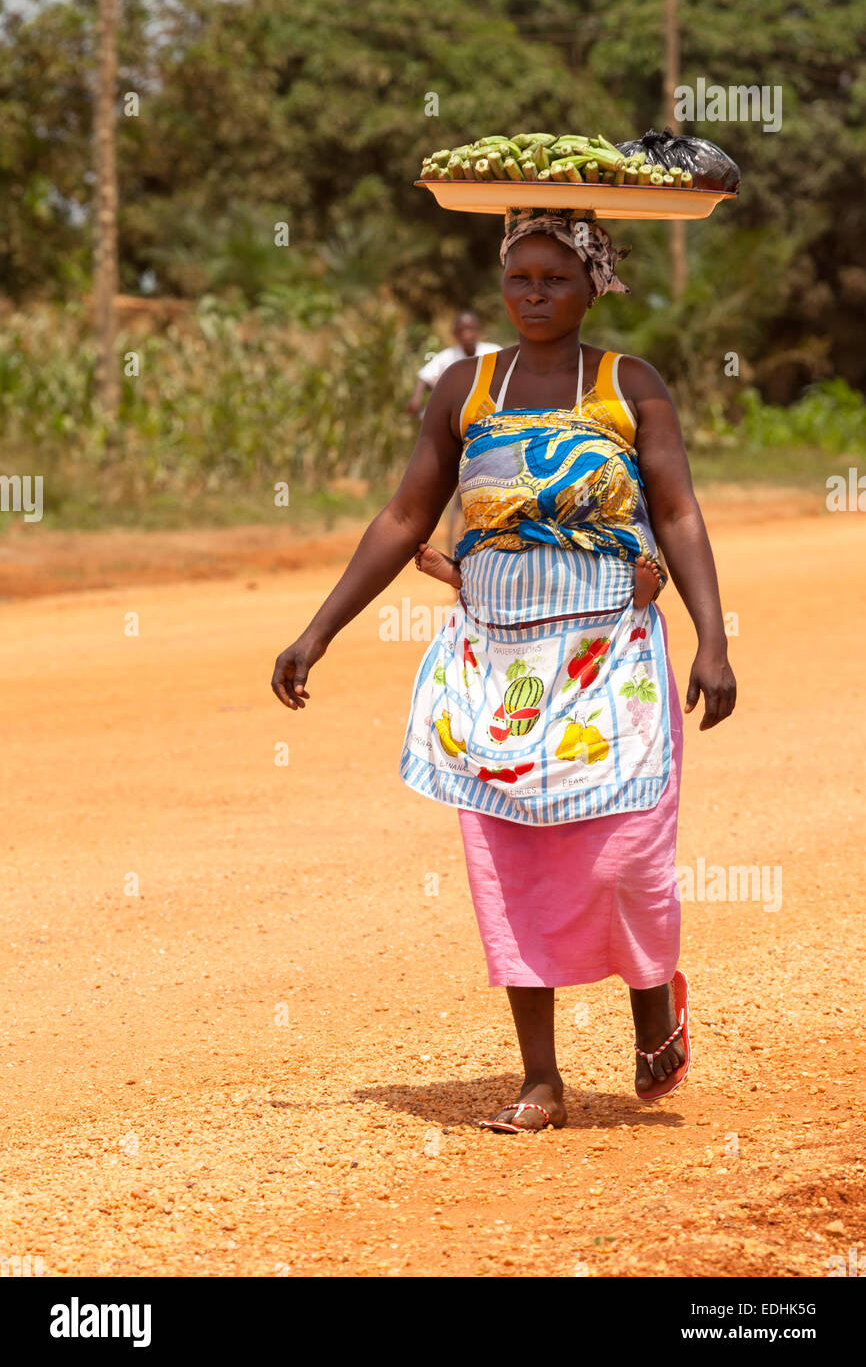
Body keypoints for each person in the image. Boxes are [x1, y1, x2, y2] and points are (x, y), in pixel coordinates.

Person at [272, 205, 736, 1133]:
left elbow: (677, 514)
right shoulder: (466, 388)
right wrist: (317, 629)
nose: (533, 294)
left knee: (624, 856)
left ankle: (652, 999)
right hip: (499, 657)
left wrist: (712, 639)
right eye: (519, 277)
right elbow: (406, 516)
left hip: (612, 655)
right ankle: (540, 1079)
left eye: (554, 277)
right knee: (508, 856)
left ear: (592, 284)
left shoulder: (627, 386)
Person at [408, 310, 500, 555]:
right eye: (462, 331)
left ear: (479, 332)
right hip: (456, 427)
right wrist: (416, 401)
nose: (467, 335)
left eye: (471, 330)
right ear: (455, 335)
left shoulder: (493, 352)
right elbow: (423, 379)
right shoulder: (447, 358)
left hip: (488, 426)